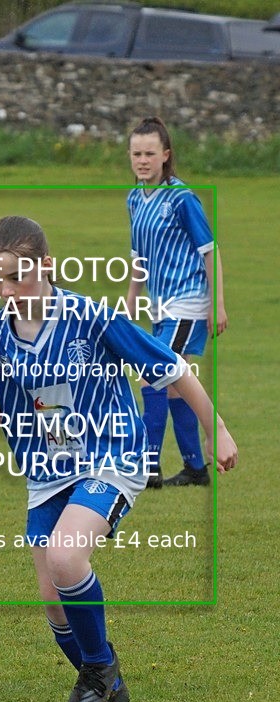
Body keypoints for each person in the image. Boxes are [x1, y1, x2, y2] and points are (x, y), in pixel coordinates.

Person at [0, 215, 238, 702]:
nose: (5, 291)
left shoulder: (91, 318)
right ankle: (105, 676)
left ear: (47, 266)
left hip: (112, 453)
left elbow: (171, 367)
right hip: (46, 472)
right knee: (53, 598)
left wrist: (215, 428)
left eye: (16, 276)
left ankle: (97, 676)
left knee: (66, 559)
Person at [126, 116, 228, 488]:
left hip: (187, 302)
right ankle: (195, 468)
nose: (142, 160)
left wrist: (216, 304)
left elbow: (209, 251)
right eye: (136, 153)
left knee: (155, 375)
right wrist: (133, 298)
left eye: (150, 153)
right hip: (160, 306)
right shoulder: (135, 198)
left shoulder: (182, 198)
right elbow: (140, 255)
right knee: (173, 384)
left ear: (165, 155)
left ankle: (147, 467)